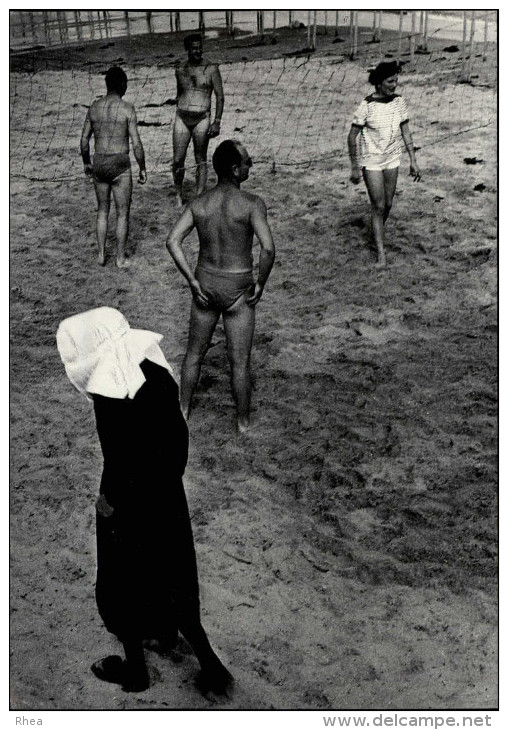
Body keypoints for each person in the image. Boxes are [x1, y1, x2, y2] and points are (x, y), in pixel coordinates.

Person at [56, 307, 234, 695]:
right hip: (168, 492)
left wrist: (110, 503)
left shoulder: (109, 393)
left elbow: (117, 459)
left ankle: (136, 670)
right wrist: (166, 483)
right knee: (174, 572)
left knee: (122, 577)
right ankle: (208, 661)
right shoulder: (157, 373)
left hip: (128, 497)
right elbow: (178, 442)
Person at [166, 140, 275, 433]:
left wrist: (191, 280)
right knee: (239, 363)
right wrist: (261, 283)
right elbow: (267, 249)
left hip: (205, 283)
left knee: (193, 355)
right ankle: (243, 422)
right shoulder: (252, 204)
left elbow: (172, 241)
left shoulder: (200, 203)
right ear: (235, 169)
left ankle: (183, 412)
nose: (251, 165)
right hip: (238, 287)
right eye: (247, 162)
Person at [347, 61, 421, 267]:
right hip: (371, 160)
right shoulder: (366, 105)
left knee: (388, 204)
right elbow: (352, 136)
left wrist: (413, 161)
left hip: (392, 158)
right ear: (379, 83)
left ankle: (375, 229)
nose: (394, 85)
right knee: (378, 205)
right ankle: (381, 254)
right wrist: (354, 166)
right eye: (390, 81)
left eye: (396, 80)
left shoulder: (399, 102)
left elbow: (406, 132)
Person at [80, 66, 147, 268]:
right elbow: (136, 144)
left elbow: (84, 141)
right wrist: (143, 167)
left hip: (99, 161)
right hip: (120, 162)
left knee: (102, 211)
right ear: (122, 85)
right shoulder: (127, 108)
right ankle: (120, 258)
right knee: (122, 212)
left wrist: (86, 162)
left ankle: (101, 255)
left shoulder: (94, 107)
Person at [173, 34, 224, 204]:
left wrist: (216, 121)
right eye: (194, 48)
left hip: (202, 118)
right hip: (182, 117)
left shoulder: (211, 68)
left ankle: (200, 195)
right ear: (188, 49)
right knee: (178, 159)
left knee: (200, 158)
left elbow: (220, 95)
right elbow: (179, 92)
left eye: (200, 47)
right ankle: (178, 194)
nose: (198, 51)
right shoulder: (180, 68)